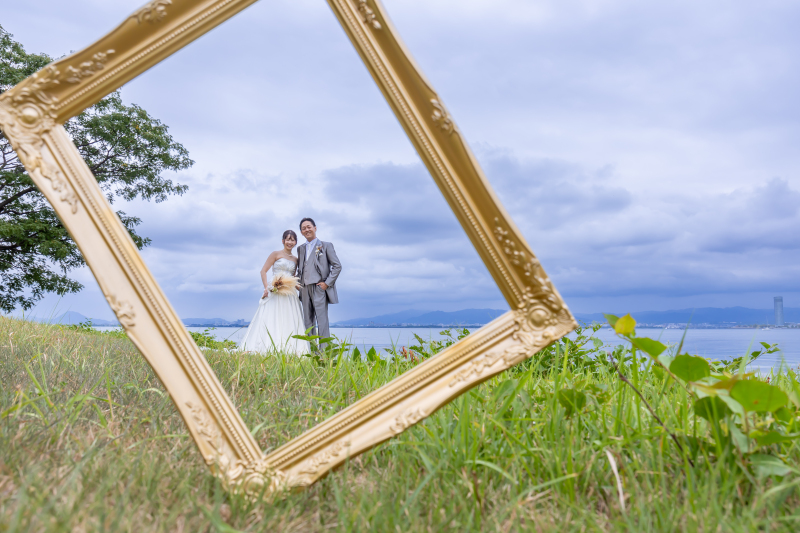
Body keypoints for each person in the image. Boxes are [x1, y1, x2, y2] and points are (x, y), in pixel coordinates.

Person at [239, 230, 310, 354]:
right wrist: (267, 287)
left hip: (289, 293)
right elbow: (263, 271)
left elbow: (293, 277)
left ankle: (289, 347)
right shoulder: (275, 254)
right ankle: (267, 345)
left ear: (296, 242)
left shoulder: (296, 259)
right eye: (287, 239)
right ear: (283, 241)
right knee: (271, 316)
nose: (290, 242)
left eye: (292, 240)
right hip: (275, 290)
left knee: (289, 317)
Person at [297, 217, 342, 347]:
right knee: (308, 321)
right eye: (303, 228)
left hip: (319, 288)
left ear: (315, 228)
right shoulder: (300, 249)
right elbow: (301, 268)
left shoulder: (326, 245)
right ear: (301, 232)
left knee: (322, 321)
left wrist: (327, 283)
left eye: (309, 227)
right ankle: (311, 350)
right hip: (304, 289)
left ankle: (325, 352)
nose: (306, 230)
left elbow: (337, 266)